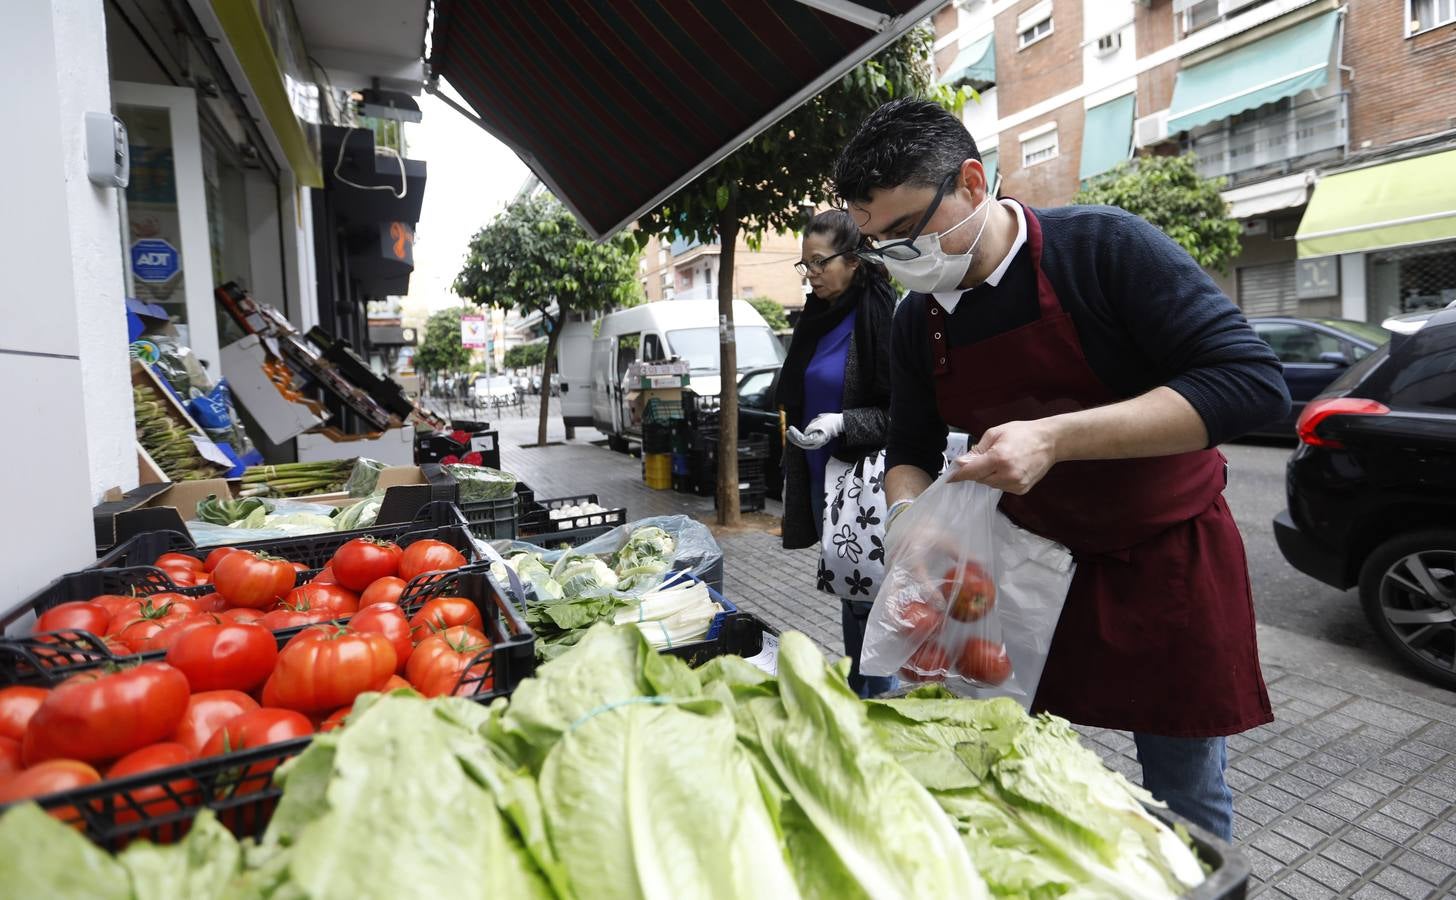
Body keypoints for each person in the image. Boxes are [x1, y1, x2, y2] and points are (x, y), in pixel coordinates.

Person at [831, 98, 1290, 839]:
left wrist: (1056, 439)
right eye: (877, 242)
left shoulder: (1105, 248)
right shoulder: (920, 316)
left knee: (1184, 786)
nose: (897, 258)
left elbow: (1250, 384)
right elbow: (911, 445)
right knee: (1018, 763)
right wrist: (908, 518)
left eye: (908, 232)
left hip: (1163, 558)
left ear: (973, 183)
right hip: (1025, 565)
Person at [774, 209, 897, 698]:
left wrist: (843, 423)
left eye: (821, 262)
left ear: (853, 259)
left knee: (870, 602)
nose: (812, 274)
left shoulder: (880, 312)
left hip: (864, 482)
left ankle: (876, 704)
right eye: (805, 264)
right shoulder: (815, 317)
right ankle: (859, 693)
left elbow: (900, 413)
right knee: (853, 595)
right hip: (822, 476)